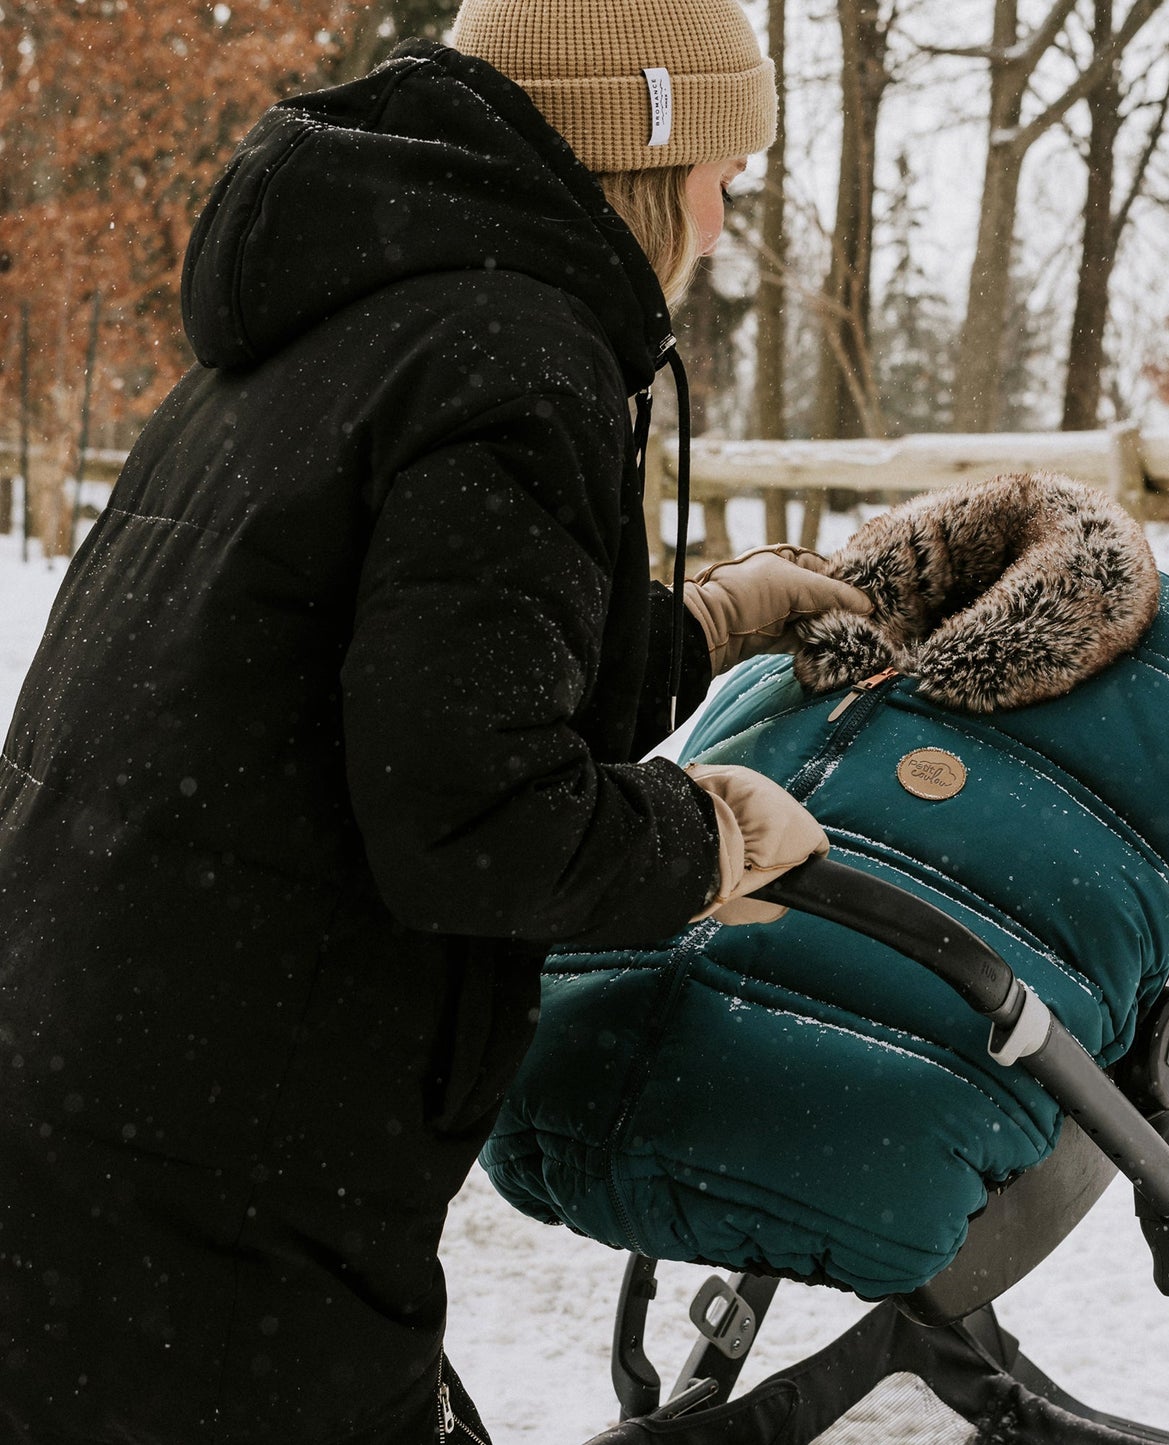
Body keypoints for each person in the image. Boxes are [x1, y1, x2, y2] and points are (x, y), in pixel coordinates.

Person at [0, 1, 871, 1440]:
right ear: (644, 142)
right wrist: (707, 836)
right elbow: (469, 812)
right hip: (221, 1186)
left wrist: (708, 621)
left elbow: (394, 663)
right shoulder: (515, 357)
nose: (725, 211)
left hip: (89, 1094)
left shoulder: (347, 306)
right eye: (722, 165)